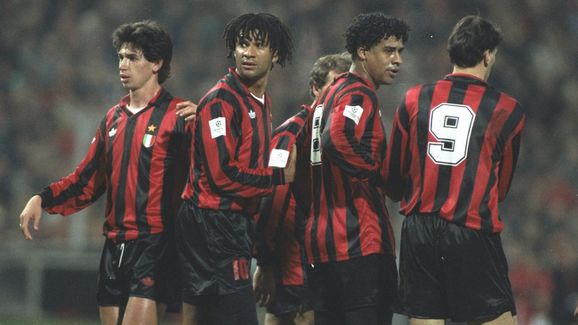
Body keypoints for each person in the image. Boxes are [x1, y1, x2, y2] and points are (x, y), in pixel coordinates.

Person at [18, 20, 196, 325]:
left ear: (157, 63)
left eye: (133, 57)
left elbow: (210, 176)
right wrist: (42, 198)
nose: (123, 64)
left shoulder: (181, 115)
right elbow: (85, 181)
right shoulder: (113, 119)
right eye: (121, 57)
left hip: (157, 245)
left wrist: (208, 122)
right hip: (114, 246)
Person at [383, 15, 525, 324]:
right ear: (487, 55)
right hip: (470, 228)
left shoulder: (413, 99)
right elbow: (500, 190)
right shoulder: (508, 110)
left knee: (426, 319)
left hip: (418, 230)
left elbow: (392, 180)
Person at [175, 12, 295, 325]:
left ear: (276, 55)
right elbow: (222, 175)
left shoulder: (260, 100)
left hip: (228, 223)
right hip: (213, 223)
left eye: (257, 46)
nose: (247, 52)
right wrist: (276, 178)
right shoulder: (221, 101)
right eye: (242, 45)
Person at [301, 12, 409, 325]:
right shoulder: (358, 93)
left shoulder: (324, 97)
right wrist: (377, 173)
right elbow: (336, 138)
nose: (397, 60)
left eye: (400, 52)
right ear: (362, 51)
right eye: (389, 51)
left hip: (322, 245)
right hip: (358, 242)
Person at [253, 52, 352, 325]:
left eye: (345, 88)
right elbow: (273, 200)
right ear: (315, 89)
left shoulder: (342, 134)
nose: (338, 95)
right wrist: (265, 262)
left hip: (329, 265)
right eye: (333, 86)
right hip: (295, 270)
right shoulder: (292, 133)